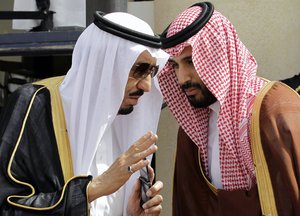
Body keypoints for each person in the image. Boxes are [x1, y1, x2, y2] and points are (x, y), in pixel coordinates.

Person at [0, 11, 169, 215]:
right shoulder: (35, 105)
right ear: (104, 63)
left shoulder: (130, 120)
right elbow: (6, 207)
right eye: (138, 69)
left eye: (151, 71)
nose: (147, 86)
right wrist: (90, 191)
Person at [158, 2, 300, 216]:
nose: (182, 78)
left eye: (191, 62)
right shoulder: (193, 130)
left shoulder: (272, 110)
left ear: (218, 57)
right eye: (175, 66)